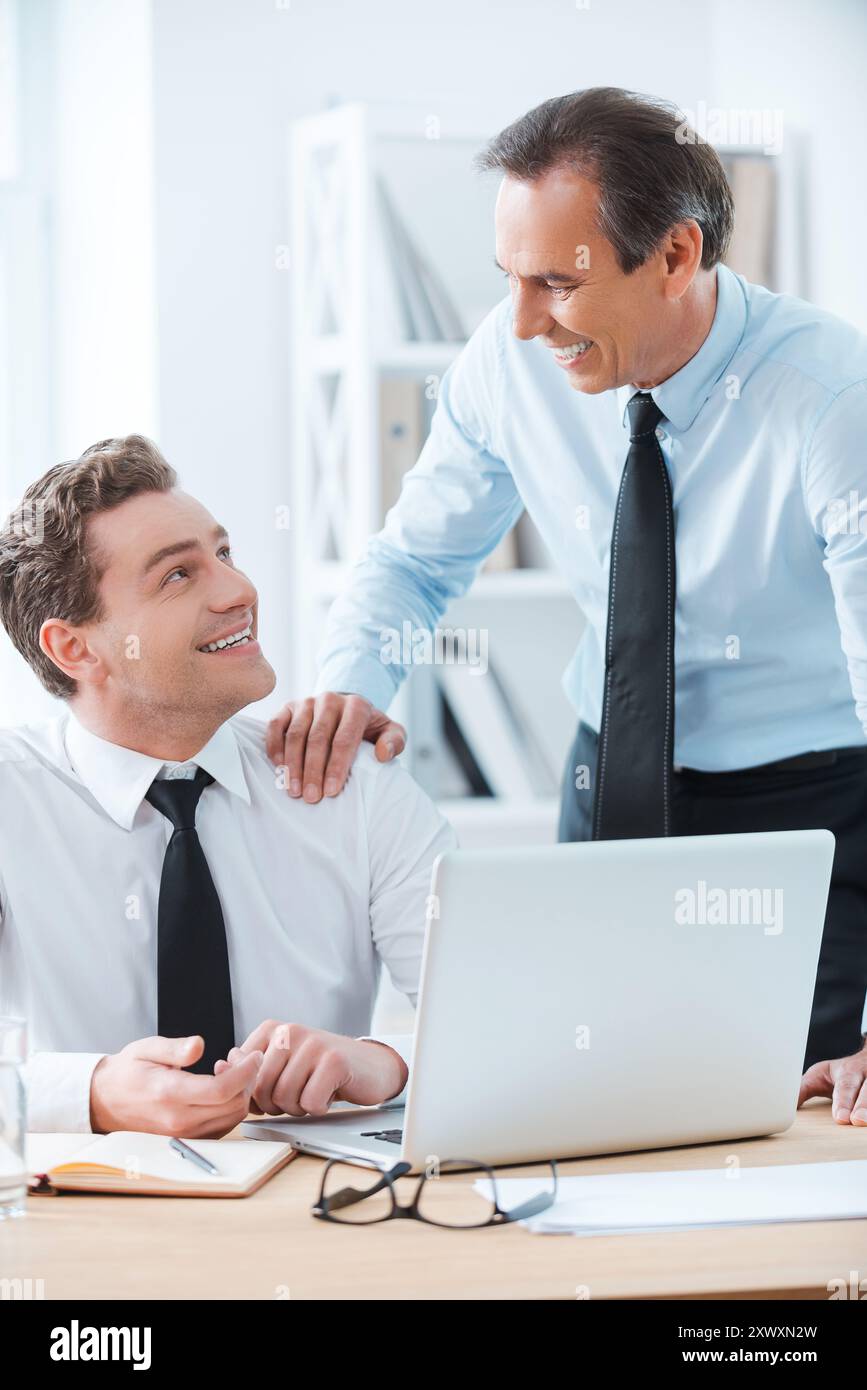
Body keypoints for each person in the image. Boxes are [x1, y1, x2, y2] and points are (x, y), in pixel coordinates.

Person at [265, 87, 867, 1124]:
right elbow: (413, 561)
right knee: (593, 1094)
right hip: (609, 777)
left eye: (557, 283)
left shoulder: (831, 400)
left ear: (676, 257)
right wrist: (350, 688)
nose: (522, 322)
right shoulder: (511, 366)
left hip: (804, 810)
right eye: (510, 279)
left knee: (796, 1119)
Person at [0, 435, 455, 1134]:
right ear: (75, 648)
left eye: (224, 554)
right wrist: (89, 1093)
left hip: (320, 1217)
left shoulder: (351, 781)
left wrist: (383, 1062)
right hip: (79, 1222)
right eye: (178, 576)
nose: (239, 591)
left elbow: (516, 1027)